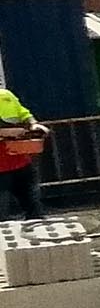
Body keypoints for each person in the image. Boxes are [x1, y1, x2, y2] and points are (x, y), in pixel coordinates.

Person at [0, 90, 49, 222]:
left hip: (19, 161)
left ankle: (36, 221)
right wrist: (6, 133)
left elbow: (23, 113)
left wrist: (34, 124)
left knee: (33, 205)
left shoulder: (6, 96)